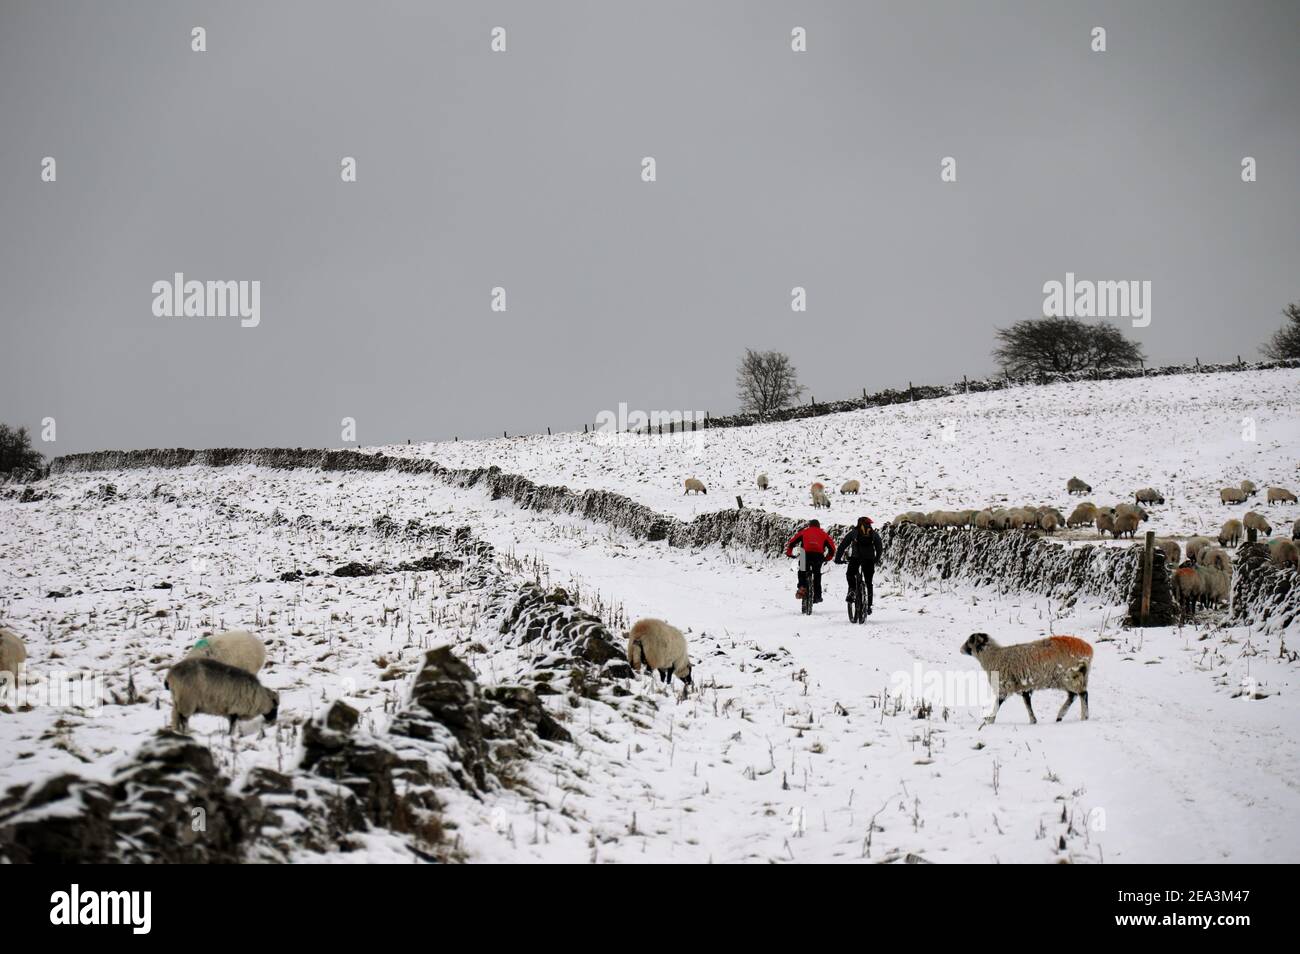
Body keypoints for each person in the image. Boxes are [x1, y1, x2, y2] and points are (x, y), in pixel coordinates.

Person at [835, 516, 883, 614]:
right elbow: (879, 547)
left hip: (856, 558)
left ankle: (852, 590)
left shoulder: (854, 532)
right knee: (869, 583)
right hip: (869, 560)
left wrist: (838, 559)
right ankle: (868, 606)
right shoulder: (873, 533)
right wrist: (876, 559)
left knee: (850, 574)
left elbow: (843, 545)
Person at [784, 519, 836, 603]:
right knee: (817, 575)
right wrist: (827, 558)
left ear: (810, 525)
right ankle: (817, 596)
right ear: (819, 526)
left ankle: (802, 586)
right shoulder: (823, 534)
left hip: (805, 554)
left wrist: (789, 553)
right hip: (818, 556)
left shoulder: (804, 532)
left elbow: (792, 542)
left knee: (802, 570)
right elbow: (832, 548)